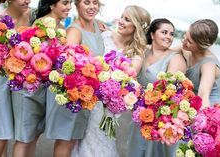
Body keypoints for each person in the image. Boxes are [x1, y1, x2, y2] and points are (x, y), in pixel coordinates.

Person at [45, 0, 104, 156]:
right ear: (77, 5)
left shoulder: (98, 26)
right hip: (72, 93)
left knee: (72, 141)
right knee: (66, 140)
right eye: (86, 2)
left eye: (95, 3)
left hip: (85, 94)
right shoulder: (74, 31)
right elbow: (66, 66)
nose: (92, 7)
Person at [127, 18, 187, 157]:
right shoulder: (143, 53)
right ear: (153, 35)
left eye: (172, 34)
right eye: (164, 32)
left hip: (160, 121)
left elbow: (171, 94)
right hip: (139, 117)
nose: (169, 37)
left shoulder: (175, 58)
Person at [99, 5, 151, 156]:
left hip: (107, 106)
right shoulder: (105, 36)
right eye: (122, 17)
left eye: (127, 19)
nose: (121, 21)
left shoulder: (136, 54)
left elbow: (129, 82)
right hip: (90, 97)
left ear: (136, 26)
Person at [0, 0, 33, 157]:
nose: (28, 0)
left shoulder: (30, 15)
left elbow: (54, 16)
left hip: (16, 82)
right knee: (1, 132)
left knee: (6, 131)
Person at [36, 0, 73, 157]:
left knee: (34, 134)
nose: (69, 7)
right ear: (51, 5)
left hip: (49, 86)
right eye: (65, 3)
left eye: (70, 3)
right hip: (36, 86)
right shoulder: (40, 24)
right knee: (28, 136)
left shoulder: (62, 27)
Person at [181, 19, 220, 107]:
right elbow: (165, 52)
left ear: (200, 46)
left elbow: (203, 94)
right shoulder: (188, 49)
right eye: (185, 36)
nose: (183, 41)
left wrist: (202, 119)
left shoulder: (208, 64)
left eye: (189, 41)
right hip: (194, 104)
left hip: (212, 110)